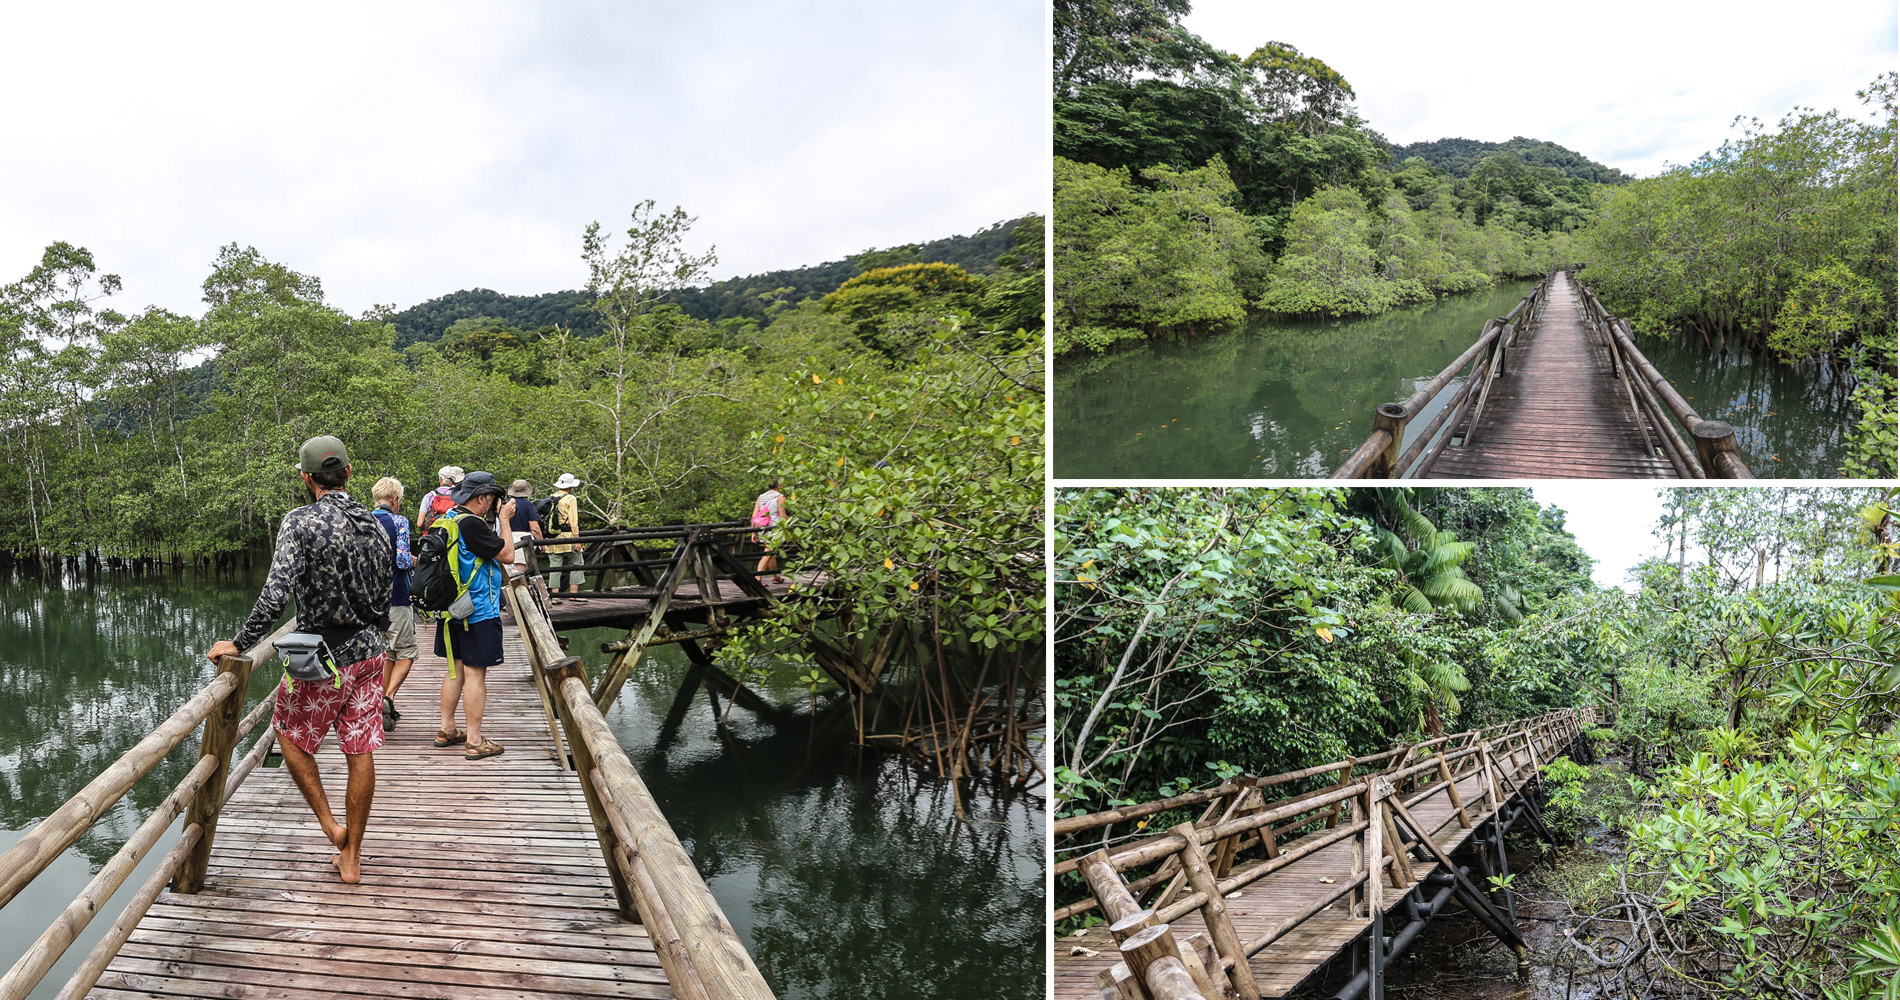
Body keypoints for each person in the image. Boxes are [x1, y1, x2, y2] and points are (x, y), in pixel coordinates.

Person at [204, 436, 392, 884]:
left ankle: (331, 828)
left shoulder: (300, 522)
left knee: (289, 735)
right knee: (360, 749)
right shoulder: (378, 524)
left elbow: (275, 594)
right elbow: (387, 594)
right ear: (348, 473)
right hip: (370, 654)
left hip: (322, 659)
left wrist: (240, 642)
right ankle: (353, 857)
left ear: (307, 479)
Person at [432, 471, 515, 761]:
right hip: (477, 610)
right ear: (482, 498)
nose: (493, 505)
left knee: (455, 669)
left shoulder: (446, 519)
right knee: (475, 674)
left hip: (450, 609)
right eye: (492, 500)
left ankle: (446, 730)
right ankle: (475, 741)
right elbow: (507, 555)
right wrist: (504, 520)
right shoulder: (472, 524)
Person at [369, 476, 417, 730]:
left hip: (370, 600)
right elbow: (401, 560)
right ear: (395, 500)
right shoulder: (398, 521)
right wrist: (413, 560)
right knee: (407, 653)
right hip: (396, 596)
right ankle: (388, 697)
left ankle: (379, 707)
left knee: (387, 652)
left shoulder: (362, 520)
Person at [543, 473, 586, 604]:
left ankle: (555, 596)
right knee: (577, 563)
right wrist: (577, 540)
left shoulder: (552, 497)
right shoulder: (570, 499)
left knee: (555, 566)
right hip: (567, 536)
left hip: (552, 536)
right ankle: (573, 594)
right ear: (571, 487)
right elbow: (573, 521)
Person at [753, 478, 787, 584]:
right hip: (775, 529)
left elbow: (754, 515)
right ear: (779, 487)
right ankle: (758, 578)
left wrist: (754, 532)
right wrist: (788, 529)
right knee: (768, 552)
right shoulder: (780, 497)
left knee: (770, 552)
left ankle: (775, 577)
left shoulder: (761, 497)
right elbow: (783, 515)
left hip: (762, 528)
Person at [505, 479, 543, 570]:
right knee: (520, 569)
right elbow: (535, 528)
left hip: (505, 536)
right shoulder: (528, 505)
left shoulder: (504, 503)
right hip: (522, 538)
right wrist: (542, 543)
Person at [416, 466, 463, 533]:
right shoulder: (459, 495)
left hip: (433, 538)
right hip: (453, 538)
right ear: (453, 480)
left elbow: (420, 523)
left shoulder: (430, 496)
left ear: (440, 479)